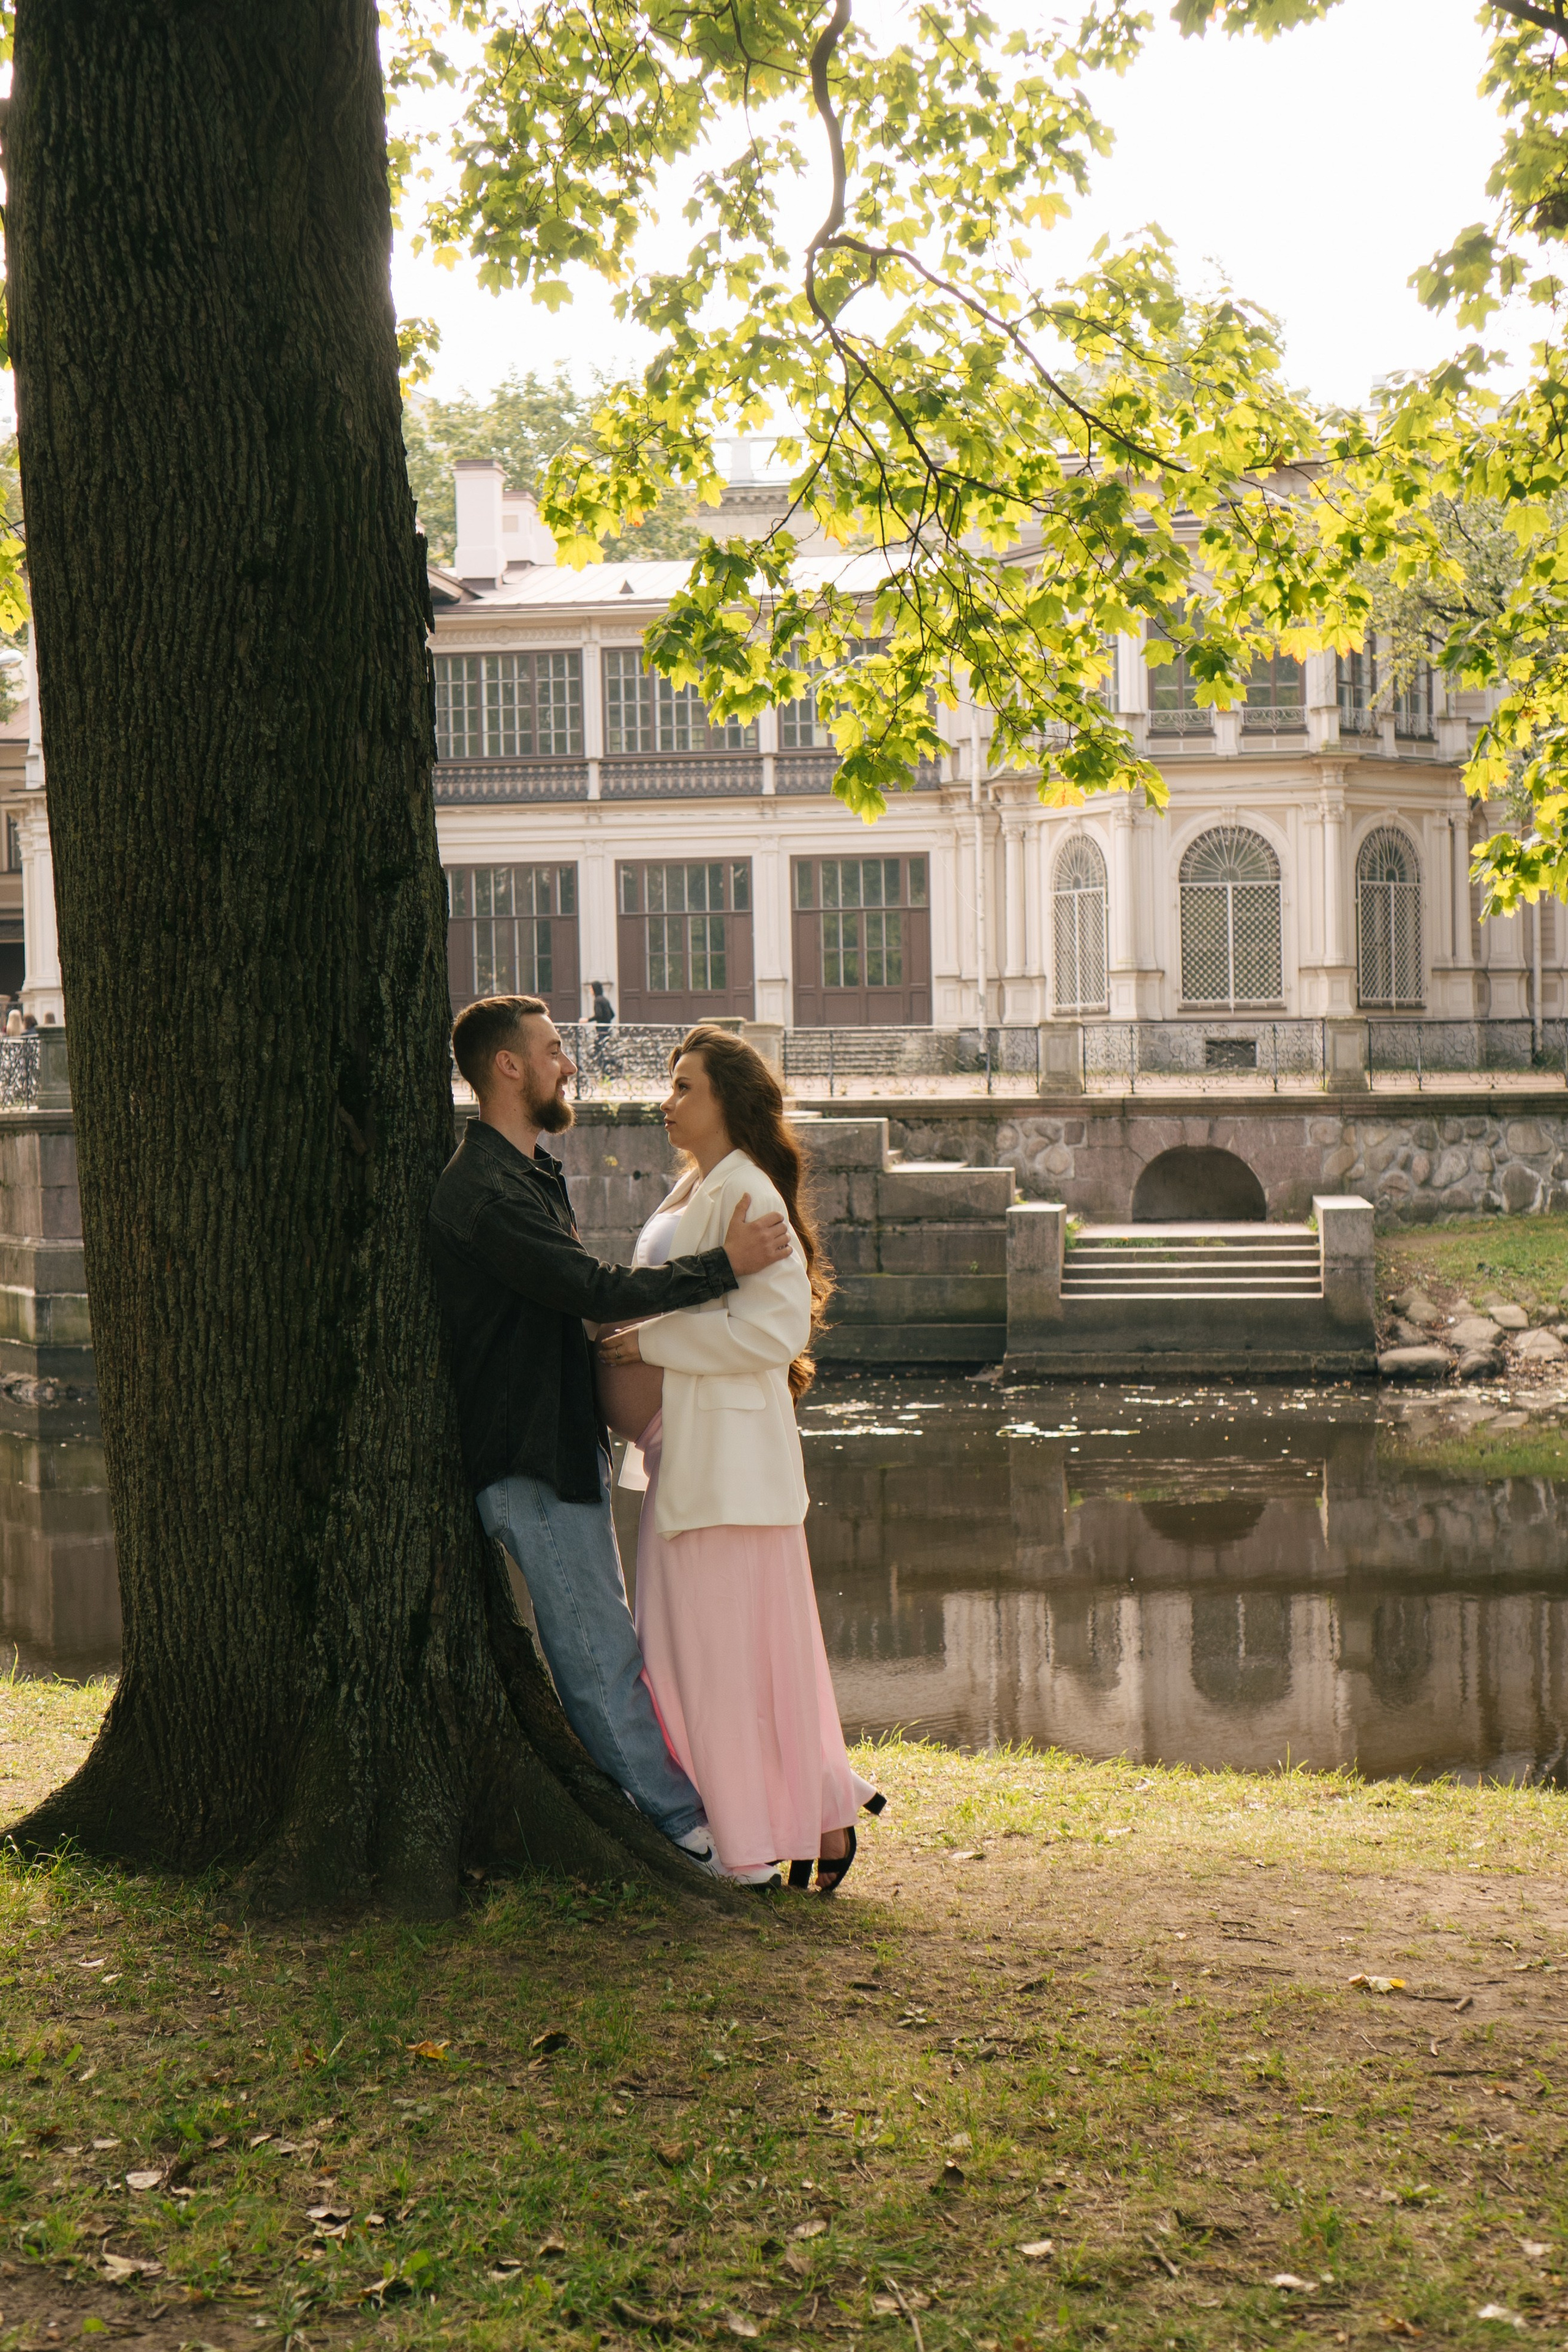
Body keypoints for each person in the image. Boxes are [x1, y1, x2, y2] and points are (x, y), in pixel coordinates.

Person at [427, 993, 793, 1879]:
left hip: (563, 1450)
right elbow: (590, 1288)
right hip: (527, 1459)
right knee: (599, 1653)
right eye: (554, 1050)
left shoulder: (529, 1174)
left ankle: (691, 1815)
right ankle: (689, 1832)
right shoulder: (483, 1191)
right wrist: (723, 1268)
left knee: (606, 1643)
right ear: (508, 1067)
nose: (569, 1063)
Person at [596, 1026, 883, 1893]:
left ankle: (760, 1838)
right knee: (708, 1654)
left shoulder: (748, 1190)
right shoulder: (701, 1183)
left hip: (722, 1465)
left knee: (720, 1658)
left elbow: (776, 1327)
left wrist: (653, 1339)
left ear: (727, 1100)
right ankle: (809, 1821)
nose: (667, 1099)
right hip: (688, 1454)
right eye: (670, 1085)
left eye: (684, 1086)